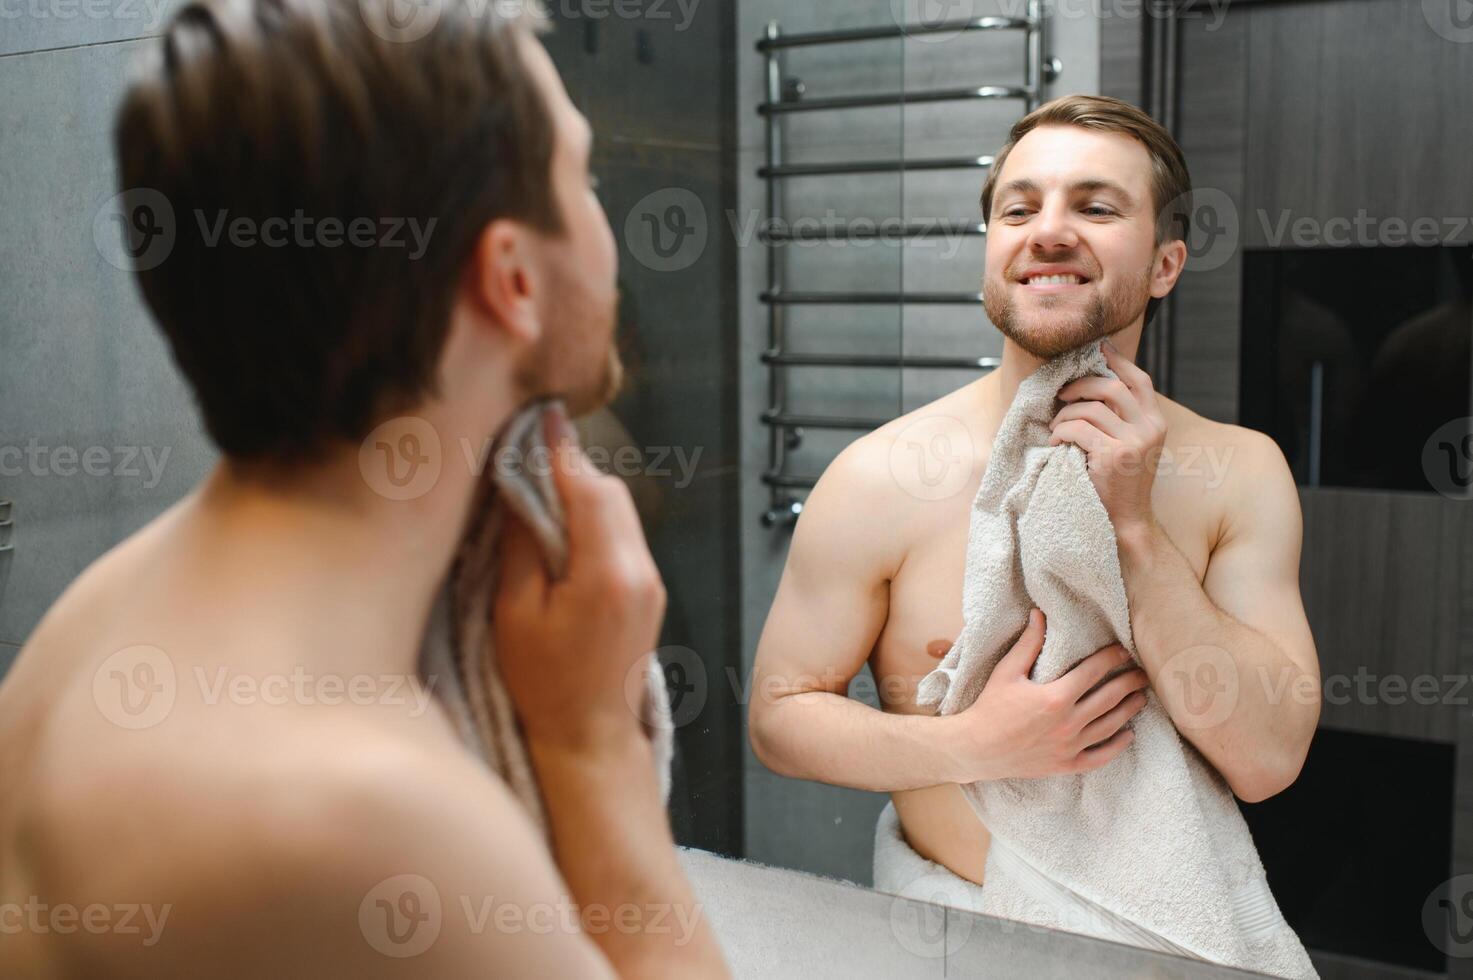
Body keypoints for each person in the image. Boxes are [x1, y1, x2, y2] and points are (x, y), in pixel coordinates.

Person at [0, 2, 728, 976]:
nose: (608, 228)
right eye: (584, 176)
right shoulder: (361, 814)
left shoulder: (96, 619)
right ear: (510, 276)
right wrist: (592, 741)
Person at [748, 95, 1321, 894]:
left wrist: (1133, 529)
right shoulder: (881, 475)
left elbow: (1267, 760)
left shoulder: (1239, 472)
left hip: (1151, 942)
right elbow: (778, 721)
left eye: (1093, 206)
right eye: (1018, 209)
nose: (1047, 230)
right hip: (951, 935)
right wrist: (974, 744)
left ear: (1165, 264)